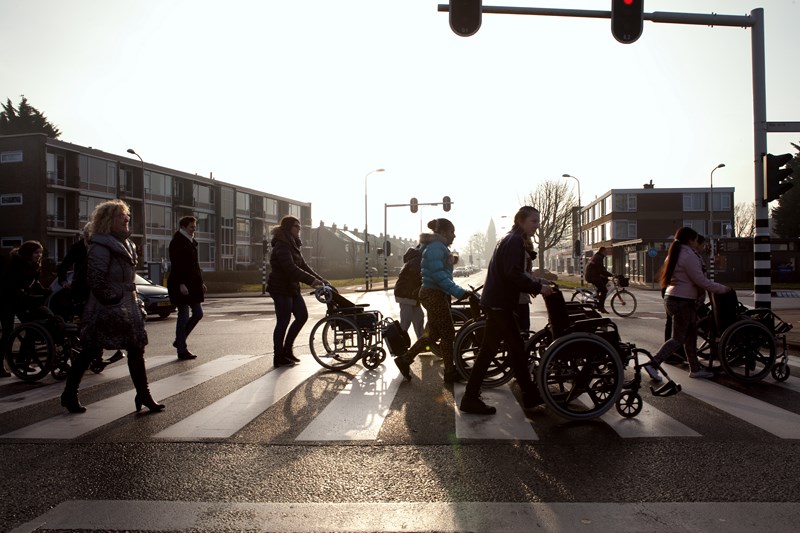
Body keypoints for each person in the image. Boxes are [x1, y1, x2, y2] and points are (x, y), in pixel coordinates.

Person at [61, 199, 164, 414]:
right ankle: (70, 393)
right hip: (106, 308)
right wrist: (113, 300)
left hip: (128, 304)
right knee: (90, 349)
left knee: (136, 348)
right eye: (121, 215)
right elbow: (96, 280)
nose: (127, 219)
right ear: (109, 220)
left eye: (127, 215)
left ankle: (143, 395)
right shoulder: (101, 246)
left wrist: (130, 299)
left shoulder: (126, 243)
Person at [460, 206, 554, 415]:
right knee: (515, 348)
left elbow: (515, 273)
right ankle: (527, 394)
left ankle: (472, 396)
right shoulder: (514, 242)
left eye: (538, 222)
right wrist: (539, 288)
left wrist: (537, 281)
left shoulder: (510, 239)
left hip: (497, 301)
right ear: (521, 221)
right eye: (533, 221)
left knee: (494, 350)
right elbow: (513, 274)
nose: (537, 226)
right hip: (500, 303)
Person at [647, 227, 731, 380]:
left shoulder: (674, 253)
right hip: (682, 301)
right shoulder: (688, 255)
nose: (696, 243)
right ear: (690, 240)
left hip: (674, 298)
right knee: (678, 338)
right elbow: (700, 280)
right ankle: (653, 363)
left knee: (690, 336)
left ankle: (695, 368)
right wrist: (723, 289)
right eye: (694, 240)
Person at [394, 218, 472, 384]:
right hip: (434, 294)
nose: (454, 235)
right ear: (443, 232)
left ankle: (405, 359)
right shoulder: (437, 247)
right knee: (448, 332)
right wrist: (457, 291)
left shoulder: (438, 247)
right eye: (452, 231)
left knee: (433, 333)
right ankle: (450, 372)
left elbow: (439, 271)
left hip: (433, 293)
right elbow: (438, 275)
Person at [266, 215, 326, 367]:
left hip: (291, 287)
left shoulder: (293, 244)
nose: (299, 229)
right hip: (280, 288)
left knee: (302, 316)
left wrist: (322, 280)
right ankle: (278, 356)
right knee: (283, 321)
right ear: (288, 228)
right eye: (296, 226)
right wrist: (311, 281)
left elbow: (303, 266)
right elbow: (290, 268)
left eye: (299, 227)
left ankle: (287, 350)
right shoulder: (282, 245)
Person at [0, 241, 48, 378]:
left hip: (19, 301)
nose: (39, 255)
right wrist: (18, 291)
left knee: (32, 327)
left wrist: (44, 291)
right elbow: (7, 282)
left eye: (40, 253)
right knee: (8, 331)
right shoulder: (14, 264)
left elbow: (34, 282)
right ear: (28, 253)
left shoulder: (34, 265)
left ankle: (22, 361)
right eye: (36, 252)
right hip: (5, 301)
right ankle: (0, 366)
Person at [168, 215, 207, 360]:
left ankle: (179, 341)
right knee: (183, 316)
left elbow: (195, 265)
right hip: (181, 285)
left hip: (193, 284)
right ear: (183, 226)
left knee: (198, 313)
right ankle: (181, 349)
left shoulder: (191, 241)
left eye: (194, 227)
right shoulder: (177, 242)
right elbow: (177, 265)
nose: (193, 230)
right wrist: (181, 284)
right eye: (191, 227)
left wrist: (201, 282)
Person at [56, 224, 91, 318]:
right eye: (87, 236)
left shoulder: (100, 247)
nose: (90, 239)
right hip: (81, 284)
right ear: (84, 235)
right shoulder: (77, 247)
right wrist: (63, 281)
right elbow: (64, 265)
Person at [393, 245, 424, 339]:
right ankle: (399, 343)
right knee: (406, 320)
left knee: (418, 318)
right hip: (407, 294)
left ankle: (422, 343)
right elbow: (420, 276)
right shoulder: (417, 261)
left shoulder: (414, 260)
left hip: (410, 294)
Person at [515, 235, 537, 336]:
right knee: (523, 329)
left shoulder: (527, 255)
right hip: (519, 299)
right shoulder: (524, 255)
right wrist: (539, 284)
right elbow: (523, 275)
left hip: (520, 297)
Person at [585, 246, 613, 313]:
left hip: (592, 275)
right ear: (602, 251)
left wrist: (609, 274)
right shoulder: (598, 258)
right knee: (604, 290)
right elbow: (601, 270)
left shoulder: (597, 256)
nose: (606, 253)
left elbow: (602, 268)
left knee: (605, 280)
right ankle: (601, 307)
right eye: (605, 252)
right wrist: (611, 275)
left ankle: (597, 294)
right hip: (592, 277)